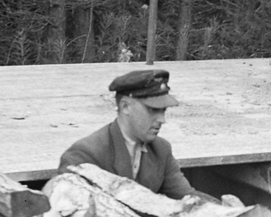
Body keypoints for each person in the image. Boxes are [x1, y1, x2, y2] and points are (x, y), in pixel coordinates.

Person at [59, 68, 193, 199]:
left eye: (163, 110)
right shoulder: (85, 155)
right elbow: (65, 208)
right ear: (125, 107)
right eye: (153, 110)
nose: (162, 120)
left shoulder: (161, 149)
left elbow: (188, 197)